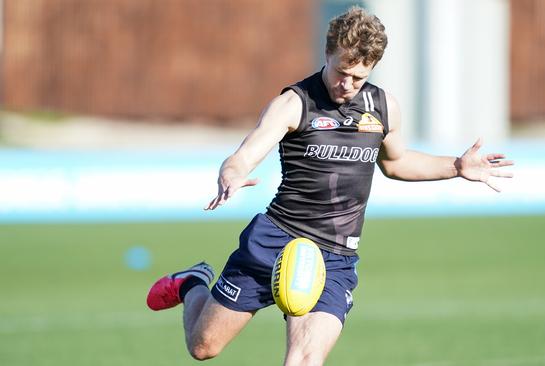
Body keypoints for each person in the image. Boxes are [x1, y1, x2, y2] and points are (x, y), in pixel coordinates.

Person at [146, 6, 513, 365]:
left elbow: (397, 162)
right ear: (327, 53)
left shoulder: (383, 107)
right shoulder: (294, 103)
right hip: (273, 240)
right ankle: (192, 281)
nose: (347, 85)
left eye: (359, 77)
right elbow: (245, 153)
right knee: (203, 346)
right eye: (342, 72)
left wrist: (456, 166)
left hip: (333, 257)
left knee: (305, 358)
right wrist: (232, 174)